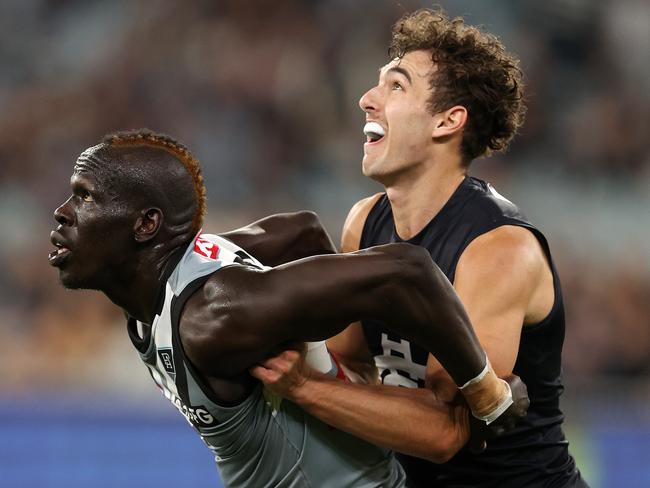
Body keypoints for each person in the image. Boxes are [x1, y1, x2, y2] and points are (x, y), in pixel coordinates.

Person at [49, 129, 527, 488]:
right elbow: (301, 231)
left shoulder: (218, 317)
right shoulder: (178, 275)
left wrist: (487, 395)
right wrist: (337, 355)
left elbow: (408, 272)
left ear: (146, 225)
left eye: (83, 196)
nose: (62, 212)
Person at [252, 8, 587, 488]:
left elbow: (444, 432)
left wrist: (303, 385)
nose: (367, 100)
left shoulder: (499, 248)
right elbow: (350, 362)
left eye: (396, 86)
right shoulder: (365, 221)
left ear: (448, 121)